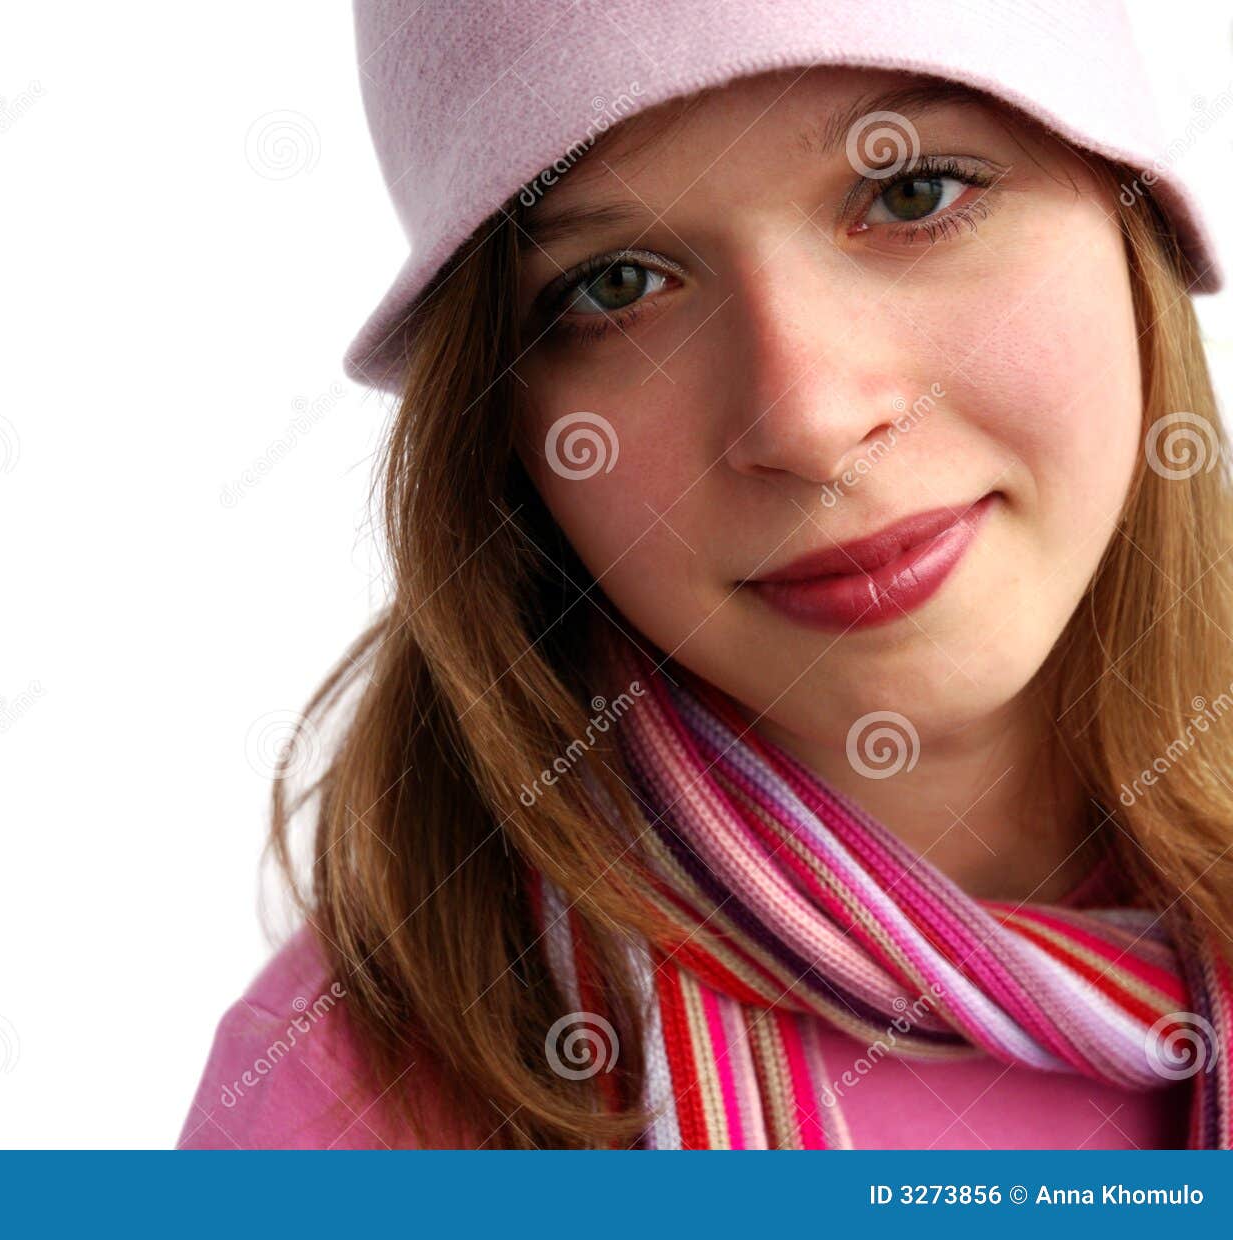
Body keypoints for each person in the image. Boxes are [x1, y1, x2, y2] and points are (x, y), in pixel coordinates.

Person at [180, 0, 1233, 1149]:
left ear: (1134, 210)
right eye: (616, 284)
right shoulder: (341, 1111)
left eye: (913, 192)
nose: (809, 426)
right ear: (502, 419)